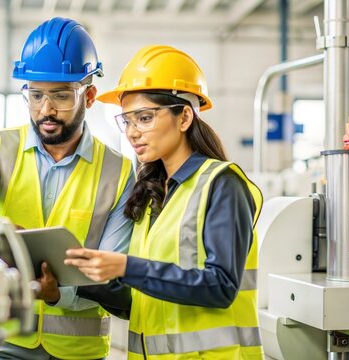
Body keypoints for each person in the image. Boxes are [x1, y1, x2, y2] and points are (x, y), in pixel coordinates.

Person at [65, 45, 265, 359]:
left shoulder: (222, 184)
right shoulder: (152, 196)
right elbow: (141, 302)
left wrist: (127, 266)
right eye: (127, 121)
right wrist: (75, 282)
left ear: (184, 117)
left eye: (144, 118)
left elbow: (221, 286)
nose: (132, 133)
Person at [0, 17, 135, 360]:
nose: (46, 110)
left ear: (90, 95)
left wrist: (57, 294)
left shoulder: (120, 171)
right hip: (2, 342)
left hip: (79, 351)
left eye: (61, 96)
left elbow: (110, 278)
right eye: (35, 95)